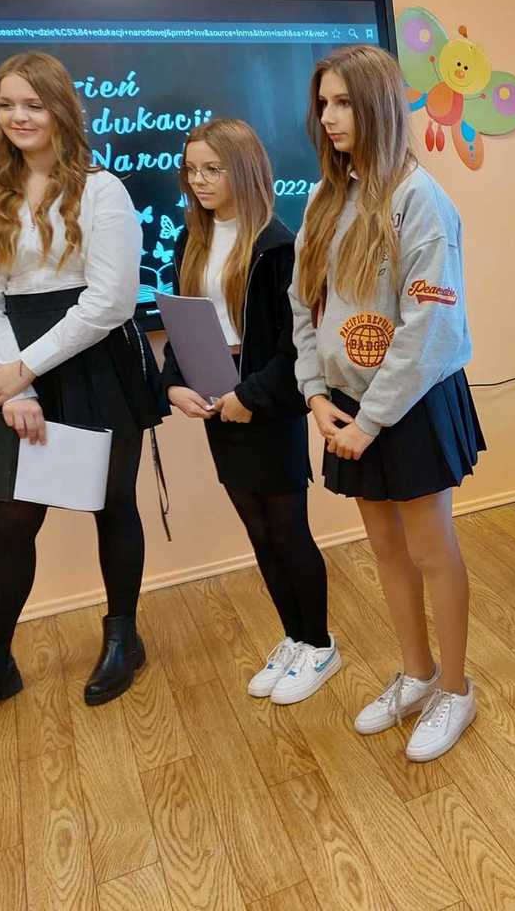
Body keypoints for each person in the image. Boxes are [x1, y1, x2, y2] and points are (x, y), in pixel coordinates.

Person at [0, 51, 167, 736]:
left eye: (32, 104)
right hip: (18, 373)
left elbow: (112, 301)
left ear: (61, 109)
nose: (19, 116)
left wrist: (26, 368)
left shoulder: (102, 190)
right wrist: (16, 389)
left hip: (99, 362)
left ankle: (123, 637)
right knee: (11, 522)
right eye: (6, 105)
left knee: (112, 505)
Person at [290, 45, 484, 761]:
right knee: (386, 547)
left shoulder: (419, 200)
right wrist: (316, 394)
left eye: (343, 102)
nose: (329, 117)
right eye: (323, 104)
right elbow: (303, 306)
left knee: (431, 547)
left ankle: (455, 688)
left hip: (410, 402)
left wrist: (371, 422)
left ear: (375, 107)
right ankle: (416, 672)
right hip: (346, 406)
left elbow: (430, 327)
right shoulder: (325, 199)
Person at [161, 118, 336, 705]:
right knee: (257, 530)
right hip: (217, 401)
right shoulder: (191, 240)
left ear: (245, 169)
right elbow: (183, 324)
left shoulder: (279, 246)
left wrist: (250, 398)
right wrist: (174, 384)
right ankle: (293, 637)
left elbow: (297, 347)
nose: (199, 180)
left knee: (288, 529)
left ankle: (319, 644)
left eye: (213, 168)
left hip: (268, 402)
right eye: (192, 170)